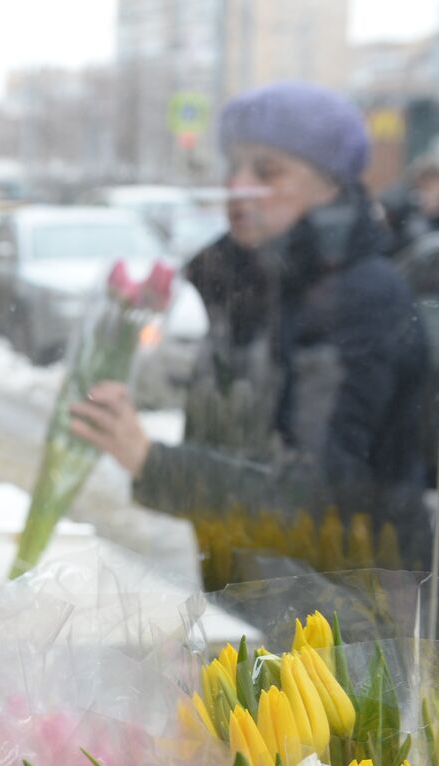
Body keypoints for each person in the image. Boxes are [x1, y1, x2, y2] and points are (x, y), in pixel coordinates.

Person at [69, 82, 432, 590]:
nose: (238, 185)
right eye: (233, 165)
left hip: (352, 625)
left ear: (329, 186)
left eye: (267, 171)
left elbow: (319, 493)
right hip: (259, 594)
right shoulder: (250, 284)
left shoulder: (355, 297)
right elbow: (238, 432)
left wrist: (154, 463)